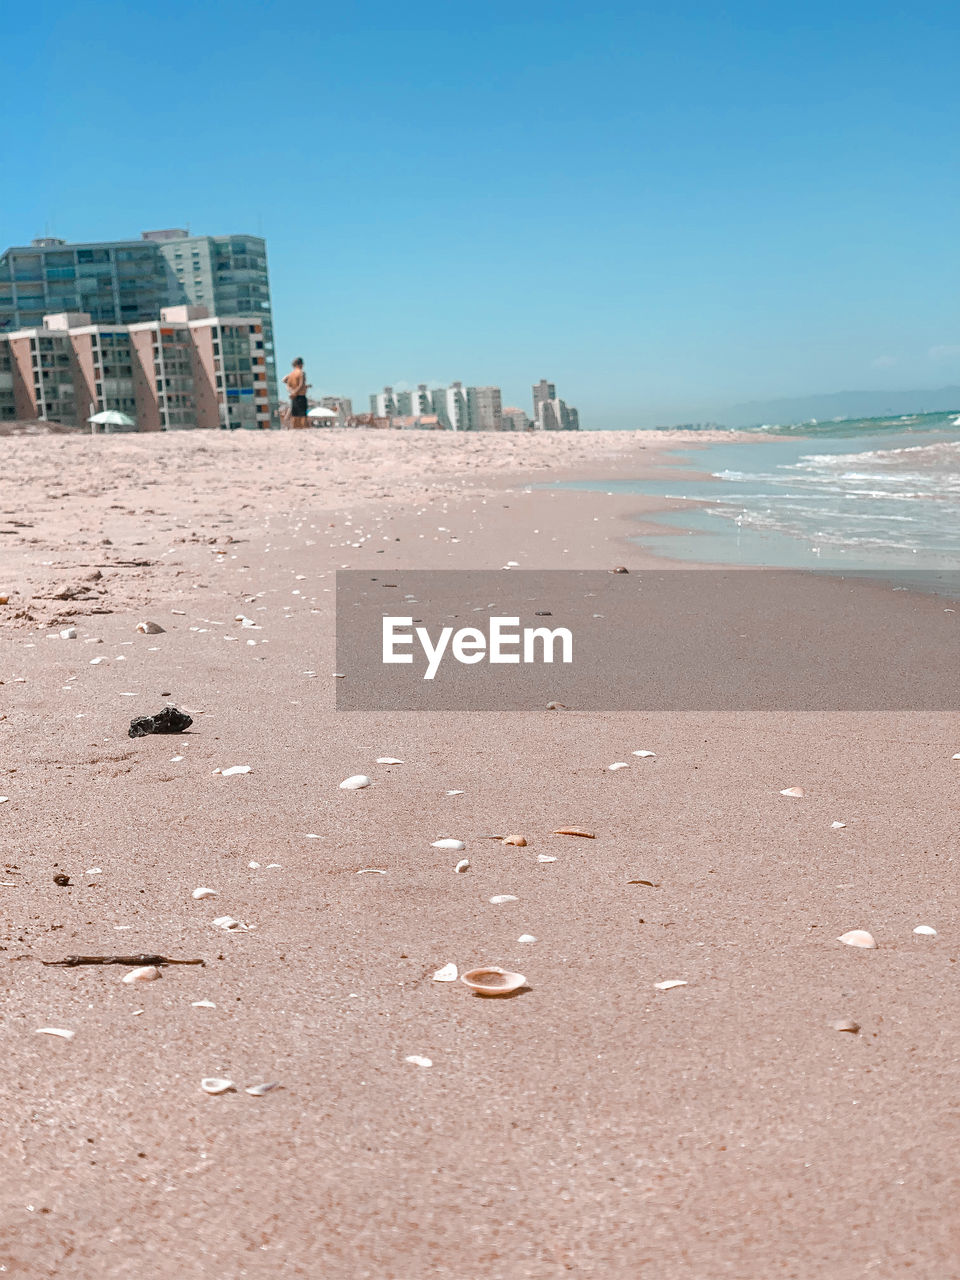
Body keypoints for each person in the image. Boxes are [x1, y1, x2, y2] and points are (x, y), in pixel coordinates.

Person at [282, 357, 310, 428]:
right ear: (300, 364)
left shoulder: (291, 374)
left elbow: (286, 383)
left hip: (294, 397)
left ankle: (295, 428)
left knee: (295, 416)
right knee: (302, 416)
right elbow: (300, 385)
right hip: (300, 396)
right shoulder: (301, 373)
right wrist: (295, 392)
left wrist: (292, 392)